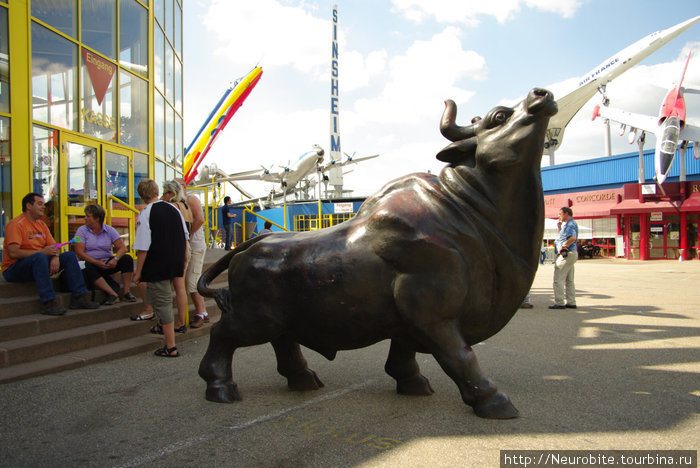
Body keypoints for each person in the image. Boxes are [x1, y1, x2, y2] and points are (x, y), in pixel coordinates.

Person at [2, 192, 99, 315]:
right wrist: (42, 252)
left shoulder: (41, 224)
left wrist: (55, 256)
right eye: (40, 204)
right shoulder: (16, 224)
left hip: (38, 262)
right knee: (39, 256)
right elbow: (13, 253)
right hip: (14, 269)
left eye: (43, 204)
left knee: (69, 256)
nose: (44, 207)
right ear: (28, 206)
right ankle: (48, 302)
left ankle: (79, 297)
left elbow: (54, 246)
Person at [133, 179, 188, 357]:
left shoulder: (146, 213)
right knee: (157, 296)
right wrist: (184, 259)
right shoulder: (173, 209)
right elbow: (184, 235)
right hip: (176, 258)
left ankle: (170, 346)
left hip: (158, 262)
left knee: (163, 302)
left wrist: (138, 272)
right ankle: (163, 326)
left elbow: (143, 247)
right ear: (157, 191)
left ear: (141, 195)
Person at [74, 204, 140, 305]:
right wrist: (96, 262)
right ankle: (112, 294)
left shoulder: (109, 230)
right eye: (85, 216)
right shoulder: (82, 231)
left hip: (106, 262)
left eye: (88, 216)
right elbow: (80, 253)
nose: (85, 218)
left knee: (127, 259)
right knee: (86, 266)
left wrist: (115, 259)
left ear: (97, 218)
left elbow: (123, 248)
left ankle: (127, 292)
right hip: (91, 263)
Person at [175, 178, 210, 329]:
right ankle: (203, 312)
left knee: (192, 281)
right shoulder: (179, 202)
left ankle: (201, 313)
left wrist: (187, 235)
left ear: (183, 187)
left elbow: (200, 219)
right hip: (188, 245)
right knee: (190, 280)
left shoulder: (190, 199)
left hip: (195, 246)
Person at [161, 180, 192, 333]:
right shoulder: (185, 206)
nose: (162, 195)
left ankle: (176, 322)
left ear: (171, 193)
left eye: (165, 192)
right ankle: (182, 320)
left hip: (174, 247)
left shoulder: (172, 207)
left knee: (171, 287)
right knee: (180, 287)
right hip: (185, 246)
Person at [550, 206, 579, 310]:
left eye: (560, 214)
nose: (559, 216)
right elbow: (562, 237)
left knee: (558, 278)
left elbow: (572, 237)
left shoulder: (570, 224)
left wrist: (564, 246)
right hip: (571, 254)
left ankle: (559, 302)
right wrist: (559, 227)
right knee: (569, 279)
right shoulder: (567, 225)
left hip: (566, 254)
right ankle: (571, 301)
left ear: (566, 213)